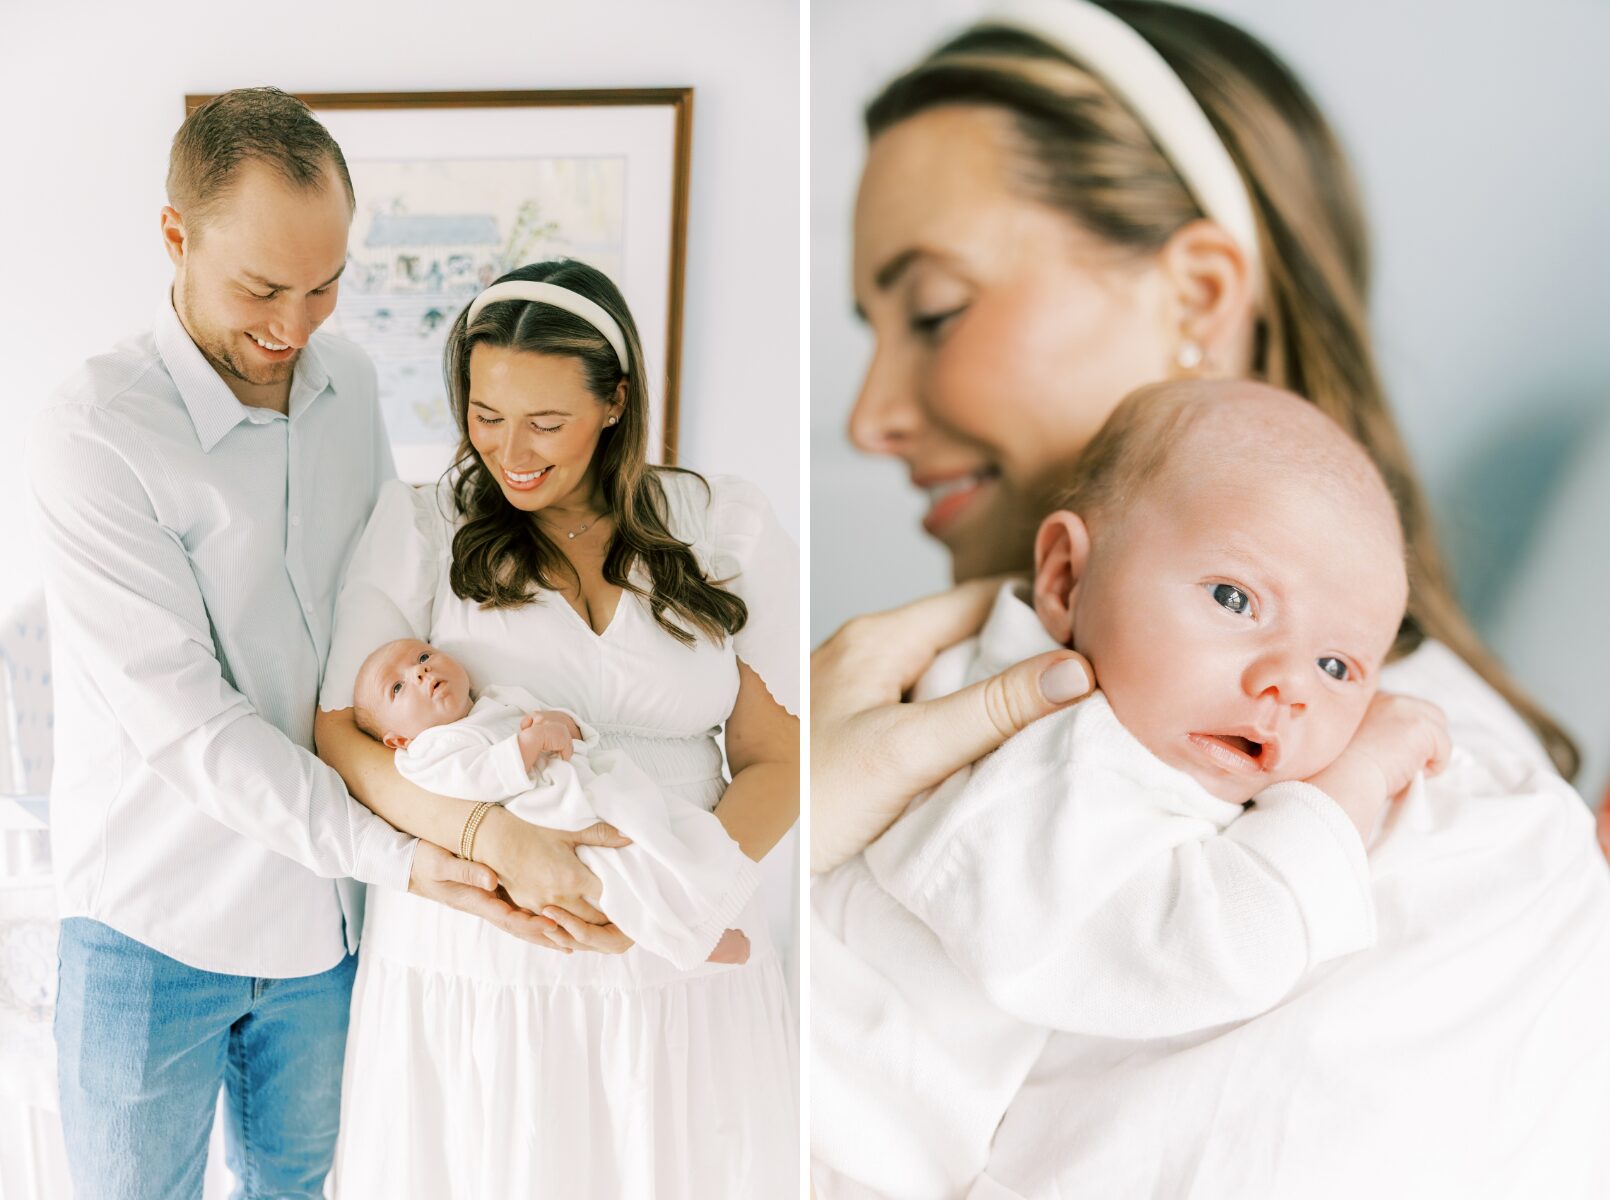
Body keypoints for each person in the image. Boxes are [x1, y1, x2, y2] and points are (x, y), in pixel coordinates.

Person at [812, 1, 1610, 1195]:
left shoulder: (1433, 831)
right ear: (1061, 574)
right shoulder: (935, 701)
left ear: (1194, 297)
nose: (866, 417)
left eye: (933, 311)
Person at [27, 88, 547, 1200]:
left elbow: (379, 606)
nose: (297, 325)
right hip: (152, 927)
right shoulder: (96, 433)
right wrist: (406, 854)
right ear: (176, 237)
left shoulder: (349, 384)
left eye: (325, 285)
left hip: (324, 930)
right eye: (262, 289)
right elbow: (188, 726)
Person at [813, 380, 1455, 1197]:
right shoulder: (1058, 755)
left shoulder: (1100, 720)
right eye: (1236, 599)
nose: (1288, 685)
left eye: (1337, 666)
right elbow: (1207, 949)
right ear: (1065, 579)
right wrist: (1353, 780)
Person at [313, 258, 800, 1198]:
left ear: (616, 402)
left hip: (684, 950)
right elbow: (343, 736)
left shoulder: (719, 522)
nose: (511, 451)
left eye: (545, 421)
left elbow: (779, 756)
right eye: (485, 415)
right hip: (482, 955)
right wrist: (489, 836)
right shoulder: (422, 525)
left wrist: (680, 900)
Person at [352, 635, 757, 968]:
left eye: (423, 657)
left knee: (666, 835)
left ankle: (709, 903)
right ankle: (689, 941)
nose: (419, 671)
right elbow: (473, 779)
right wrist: (526, 745)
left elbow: (552, 722)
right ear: (398, 739)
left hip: (588, 789)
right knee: (619, 878)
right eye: (397, 687)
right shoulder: (425, 752)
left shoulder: (496, 698)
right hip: (550, 823)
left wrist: (564, 725)